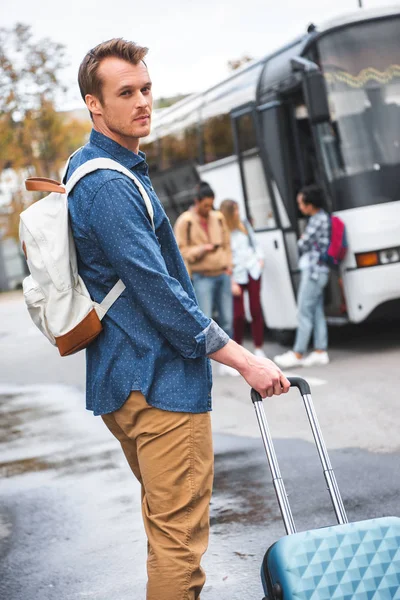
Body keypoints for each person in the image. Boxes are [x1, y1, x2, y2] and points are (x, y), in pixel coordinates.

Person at [66, 38, 290, 600]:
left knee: (166, 529)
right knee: (178, 544)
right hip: (158, 384)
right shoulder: (109, 185)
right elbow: (160, 295)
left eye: (145, 89)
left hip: (126, 379)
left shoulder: (90, 167)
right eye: (126, 92)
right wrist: (245, 361)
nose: (143, 102)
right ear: (94, 104)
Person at [174, 181, 236, 376]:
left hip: (222, 274)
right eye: (205, 205)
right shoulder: (185, 221)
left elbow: (227, 244)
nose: (209, 209)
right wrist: (201, 250)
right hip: (202, 277)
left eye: (211, 205)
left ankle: (230, 363)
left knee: (227, 319)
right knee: (205, 322)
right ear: (197, 201)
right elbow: (180, 250)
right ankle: (205, 365)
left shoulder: (217, 218)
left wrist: (229, 267)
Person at [274, 184, 330, 368]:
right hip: (320, 271)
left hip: (313, 272)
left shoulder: (317, 220)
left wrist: (302, 239)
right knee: (316, 312)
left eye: (301, 203)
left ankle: (298, 353)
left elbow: (303, 244)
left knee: (304, 312)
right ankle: (320, 351)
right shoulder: (321, 218)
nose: (299, 207)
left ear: (310, 203)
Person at [219, 199, 266, 357]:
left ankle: (259, 348)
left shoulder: (244, 225)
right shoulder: (222, 231)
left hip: (252, 271)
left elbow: (256, 244)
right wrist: (231, 282)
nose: (238, 213)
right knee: (238, 315)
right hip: (235, 276)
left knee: (256, 310)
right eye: (235, 210)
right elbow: (223, 257)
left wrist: (260, 260)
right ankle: (238, 354)